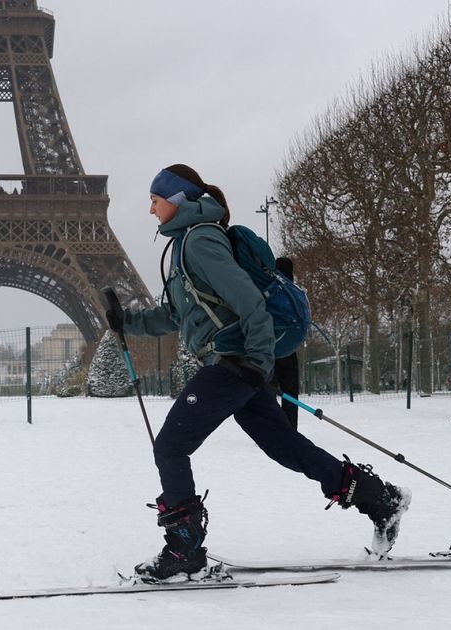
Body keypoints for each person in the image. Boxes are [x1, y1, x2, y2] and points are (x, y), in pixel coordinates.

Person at [109, 164, 410, 582]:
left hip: (233, 364)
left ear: (177, 200)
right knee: (284, 446)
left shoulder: (200, 240)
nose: (150, 209)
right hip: (238, 365)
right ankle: (379, 498)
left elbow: (248, 300)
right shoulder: (184, 245)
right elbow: (177, 314)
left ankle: (185, 550)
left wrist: (257, 360)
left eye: (155, 200)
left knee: (171, 445)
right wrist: (127, 321)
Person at [272, 257, 300, 430]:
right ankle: (290, 430)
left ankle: (271, 430)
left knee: (269, 393)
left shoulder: (270, 288)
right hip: (290, 349)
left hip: (270, 349)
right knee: (291, 395)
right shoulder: (295, 292)